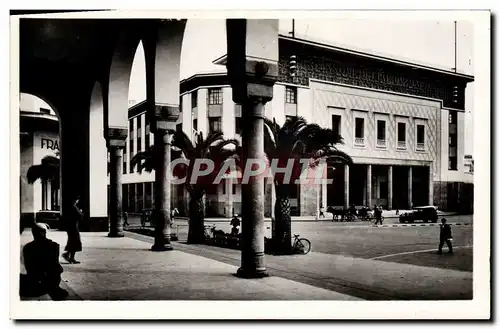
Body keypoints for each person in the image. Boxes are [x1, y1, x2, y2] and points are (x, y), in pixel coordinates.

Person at [21, 223, 68, 300]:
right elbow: (55, 265)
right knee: (57, 269)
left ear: (33, 233)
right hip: (49, 282)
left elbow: (28, 267)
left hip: (34, 281)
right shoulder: (53, 246)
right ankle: (52, 288)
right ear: (44, 232)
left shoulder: (27, 247)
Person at [62, 196, 83, 264]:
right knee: (75, 241)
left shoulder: (68, 208)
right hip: (74, 227)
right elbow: (80, 215)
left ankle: (69, 256)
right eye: (77, 200)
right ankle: (70, 257)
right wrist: (81, 211)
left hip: (70, 227)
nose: (77, 201)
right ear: (75, 200)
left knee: (72, 241)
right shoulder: (74, 207)